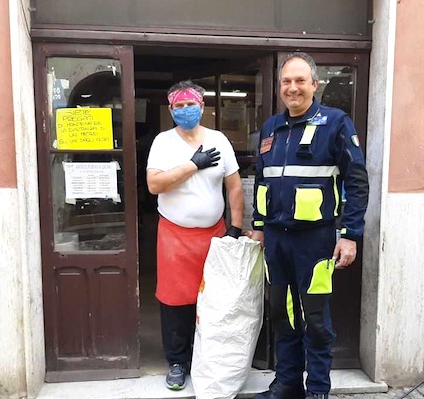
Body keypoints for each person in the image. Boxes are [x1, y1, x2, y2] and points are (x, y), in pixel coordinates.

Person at [248, 52, 369, 399]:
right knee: (282, 315)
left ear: (314, 85)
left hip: (314, 240)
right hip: (275, 239)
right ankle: (286, 384)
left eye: (300, 81)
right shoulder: (271, 128)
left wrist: (350, 235)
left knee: (315, 319)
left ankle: (317, 389)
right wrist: (258, 225)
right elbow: (262, 180)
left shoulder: (335, 123)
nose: (292, 88)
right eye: (287, 81)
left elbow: (357, 181)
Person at [146, 80, 244, 391]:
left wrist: (236, 227)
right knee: (176, 300)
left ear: (202, 107)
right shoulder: (163, 142)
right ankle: (177, 362)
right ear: (171, 109)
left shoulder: (219, 140)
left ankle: (208, 357)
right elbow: (154, 185)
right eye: (180, 106)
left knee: (214, 300)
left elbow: (235, 186)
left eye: (192, 105)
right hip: (174, 235)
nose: (186, 110)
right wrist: (192, 165)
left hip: (214, 234)